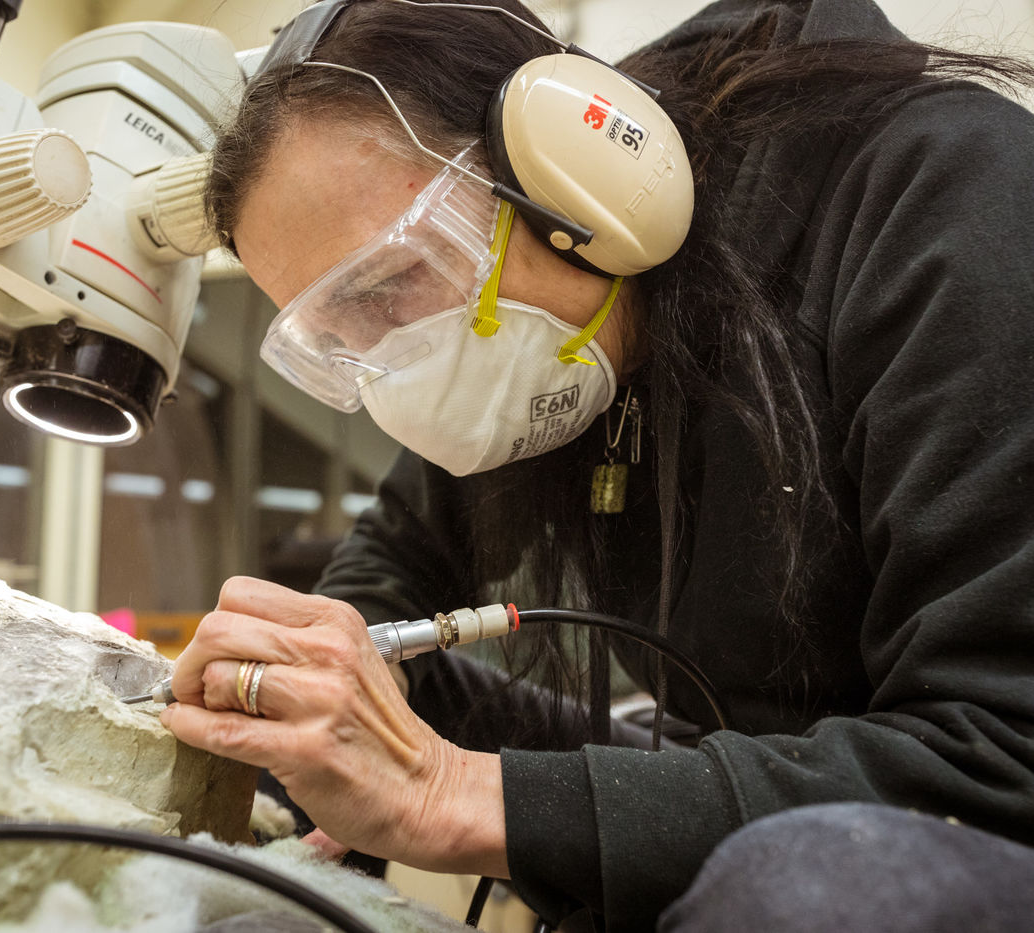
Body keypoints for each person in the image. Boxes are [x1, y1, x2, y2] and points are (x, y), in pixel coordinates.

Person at [159, 0, 1034, 928]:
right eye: (341, 338)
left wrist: (447, 792)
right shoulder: (570, 347)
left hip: (942, 829)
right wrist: (298, 698)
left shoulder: (944, 192)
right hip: (789, 810)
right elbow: (393, 570)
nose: (395, 364)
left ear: (572, 183)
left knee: (802, 883)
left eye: (389, 285)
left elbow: (1001, 754)